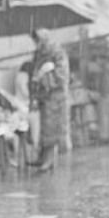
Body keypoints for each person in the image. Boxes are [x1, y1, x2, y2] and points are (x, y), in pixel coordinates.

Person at [29, 28, 70, 172]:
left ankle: (49, 159)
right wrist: (35, 89)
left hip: (55, 97)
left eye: (38, 40)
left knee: (52, 128)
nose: (36, 43)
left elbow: (62, 75)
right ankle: (43, 157)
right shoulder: (38, 54)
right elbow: (33, 73)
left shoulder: (57, 52)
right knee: (44, 128)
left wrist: (47, 76)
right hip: (43, 97)